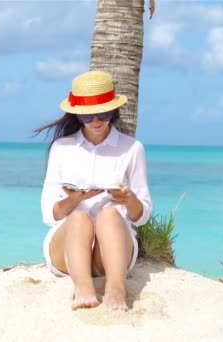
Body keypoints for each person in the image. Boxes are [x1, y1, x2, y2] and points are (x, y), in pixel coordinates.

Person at [33, 70, 152, 311]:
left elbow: (142, 216)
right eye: (87, 116)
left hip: (114, 250)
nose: (95, 121)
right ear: (76, 115)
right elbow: (50, 214)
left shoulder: (132, 149)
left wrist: (129, 200)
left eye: (103, 113)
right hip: (68, 248)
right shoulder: (62, 148)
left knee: (110, 214)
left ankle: (116, 288)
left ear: (114, 111)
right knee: (78, 217)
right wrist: (74, 199)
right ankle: (84, 287)